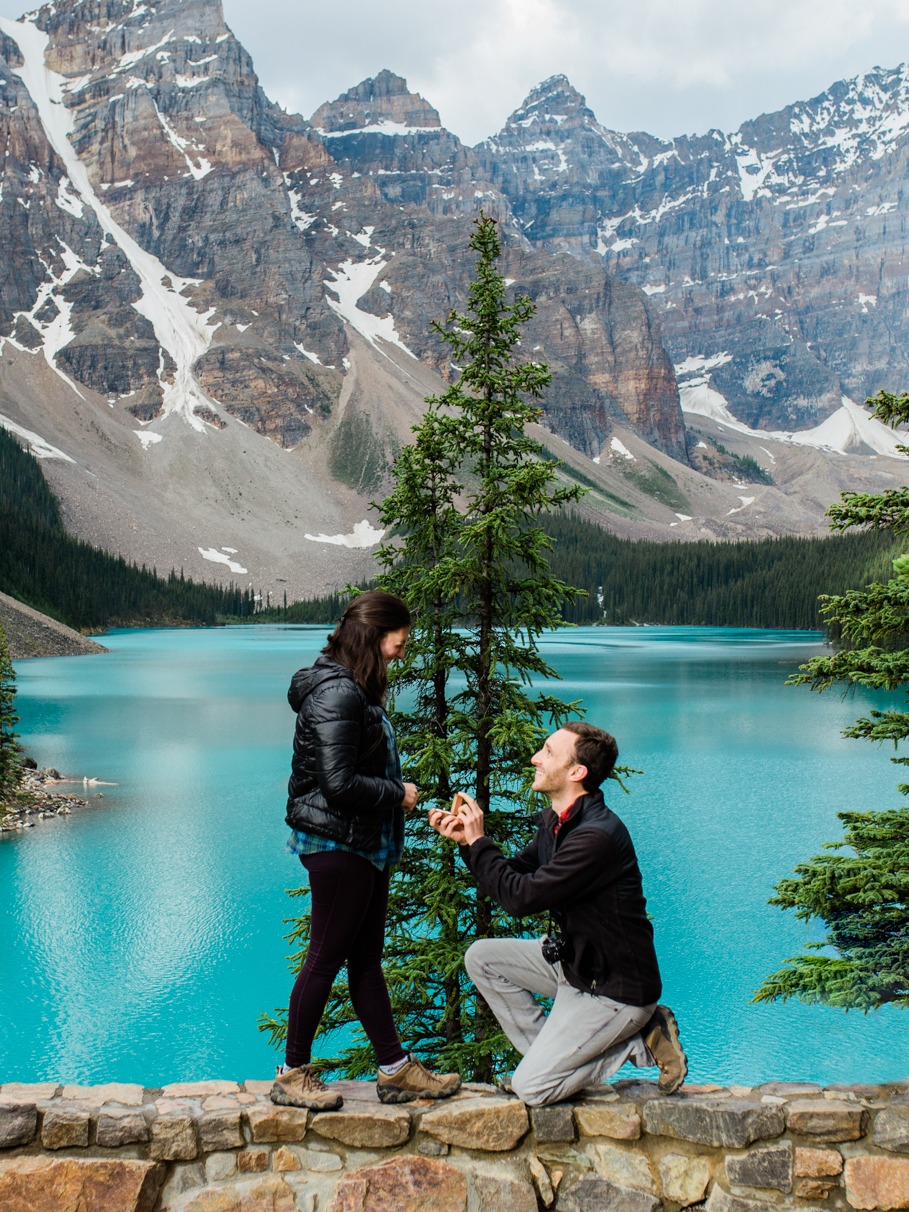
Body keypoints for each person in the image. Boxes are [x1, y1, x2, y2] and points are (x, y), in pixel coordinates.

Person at [428, 720, 686, 1106]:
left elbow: (520, 898)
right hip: (576, 968)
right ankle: (551, 1065)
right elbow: (512, 874)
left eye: (548, 752)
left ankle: (636, 1042)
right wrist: (469, 843)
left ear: (576, 772)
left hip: (615, 991)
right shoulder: (560, 824)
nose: (535, 757)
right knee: (481, 958)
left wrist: (481, 841)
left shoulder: (595, 837)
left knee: (531, 1088)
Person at [271, 590, 461, 1111]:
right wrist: (397, 794)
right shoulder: (339, 693)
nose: (401, 654)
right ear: (372, 637)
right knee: (324, 959)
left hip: (359, 841)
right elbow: (336, 784)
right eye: (397, 644)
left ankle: (396, 1070)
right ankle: (291, 1074)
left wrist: (396, 792)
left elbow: (354, 769)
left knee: (364, 962)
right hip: (339, 843)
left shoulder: (348, 687)